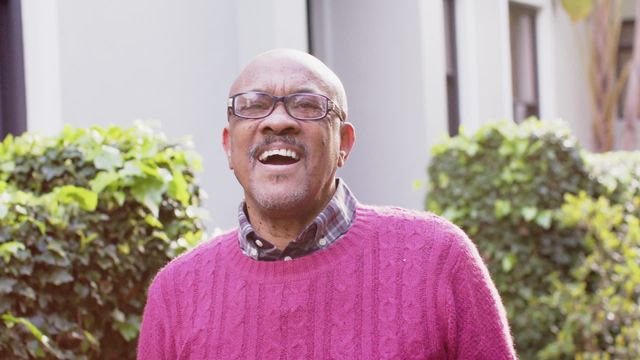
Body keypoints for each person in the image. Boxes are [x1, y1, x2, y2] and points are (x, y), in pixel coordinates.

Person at [137, 49, 516, 359]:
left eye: (306, 105)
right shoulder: (176, 293)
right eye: (253, 105)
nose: (278, 121)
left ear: (344, 144)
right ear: (228, 146)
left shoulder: (438, 259)